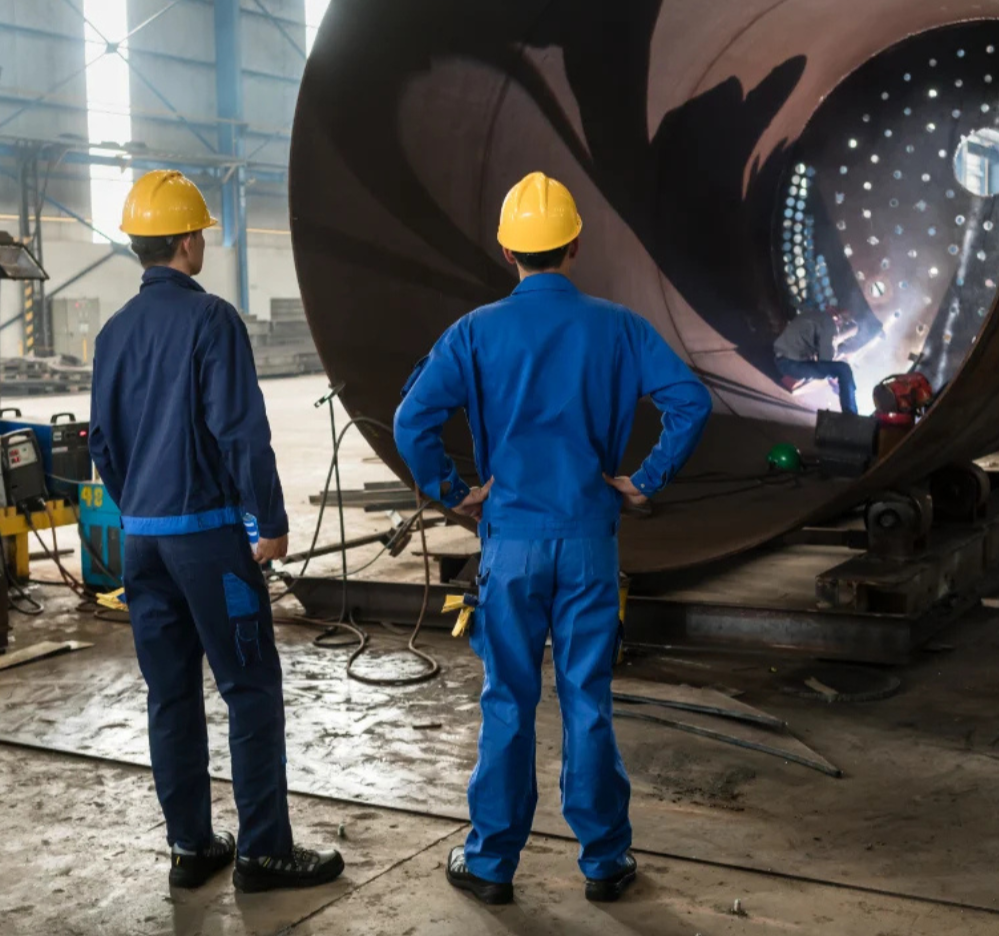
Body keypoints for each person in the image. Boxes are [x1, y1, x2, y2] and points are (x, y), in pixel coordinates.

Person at [393, 172, 713, 906]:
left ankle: (493, 861)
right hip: (589, 539)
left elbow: (413, 420)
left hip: (511, 544)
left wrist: (454, 491)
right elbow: (688, 401)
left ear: (506, 248)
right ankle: (604, 860)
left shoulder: (474, 332)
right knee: (588, 698)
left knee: (508, 696)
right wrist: (644, 478)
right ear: (575, 244)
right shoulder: (621, 327)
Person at [89, 170, 343, 893]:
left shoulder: (112, 333)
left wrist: (139, 504)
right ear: (188, 241)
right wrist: (269, 521)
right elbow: (242, 434)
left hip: (141, 542)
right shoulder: (213, 321)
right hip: (208, 544)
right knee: (251, 687)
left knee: (170, 694)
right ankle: (263, 850)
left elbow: (102, 442)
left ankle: (192, 845)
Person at [774, 307, 859, 414]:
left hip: (780, 356)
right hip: (790, 364)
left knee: (834, 369)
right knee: (844, 370)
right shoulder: (829, 326)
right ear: (839, 321)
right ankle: (851, 415)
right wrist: (836, 378)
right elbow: (825, 360)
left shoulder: (812, 313)